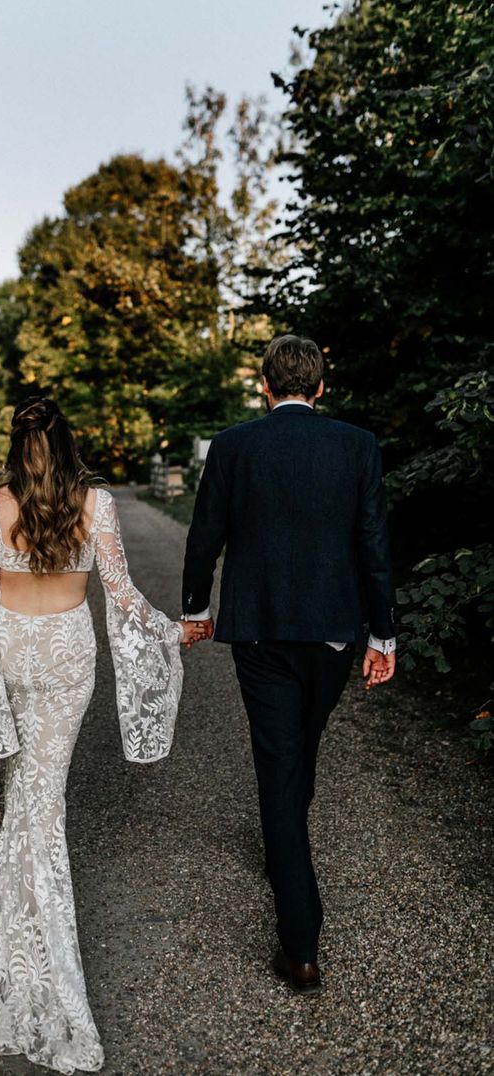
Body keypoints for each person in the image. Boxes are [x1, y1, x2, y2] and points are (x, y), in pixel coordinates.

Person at [0, 396, 204, 1073]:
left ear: (20, 448)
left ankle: (15, 943)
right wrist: (171, 629)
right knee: (39, 799)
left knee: (28, 796)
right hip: (66, 657)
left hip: (10, 649)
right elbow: (121, 593)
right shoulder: (96, 504)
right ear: (67, 441)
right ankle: (33, 953)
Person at [181, 334, 396, 996]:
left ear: (264, 386)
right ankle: (288, 861)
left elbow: (206, 532)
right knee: (299, 748)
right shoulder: (356, 445)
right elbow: (372, 542)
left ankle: (300, 946)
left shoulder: (235, 445)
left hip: (262, 631)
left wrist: (194, 607)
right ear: (322, 387)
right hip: (334, 633)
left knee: (281, 762)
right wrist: (384, 637)